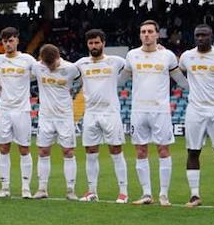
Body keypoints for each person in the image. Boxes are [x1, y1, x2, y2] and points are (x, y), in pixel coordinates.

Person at [179, 25, 214, 208]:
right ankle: (194, 195)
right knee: (193, 151)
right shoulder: (187, 57)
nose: (200, 38)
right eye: (197, 35)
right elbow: (179, 74)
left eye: (204, 35)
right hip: (195, 109)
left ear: (212, 36)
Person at [126, 20, 179, 206]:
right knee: (140, 150)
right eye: (143, 31)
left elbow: (180, 79)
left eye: (150, 31)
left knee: (163, 149)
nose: (146, 34)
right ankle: (147, 194)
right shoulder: (132, 55)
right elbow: (120, 78)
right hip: (138, 110)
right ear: (140, 35)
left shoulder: (168, 56)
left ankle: (164, 195)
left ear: (157, 34)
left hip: (160, 110)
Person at [74, 29, 130, 202]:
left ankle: (123, 192)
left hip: (110, 112)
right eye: (91, 43)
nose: (94, 46)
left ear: (103, 43)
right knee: (91, 151)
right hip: (90, 113)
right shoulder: (81, 64)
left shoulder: (116, 61)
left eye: (97, 42)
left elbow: (135, 63)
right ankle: (91, 191)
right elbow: (63, 70)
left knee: (115, 150)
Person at [0, 26, 38, 198]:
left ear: (17, 40)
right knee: (4, 148)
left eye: (11, 40)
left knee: (24, 148)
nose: (8, 44)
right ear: (2, 43)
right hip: (4, 111)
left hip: (22, 110)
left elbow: (42, 71)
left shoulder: (28, 59)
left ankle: (25, 188)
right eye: (5, 41)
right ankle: (5, 188)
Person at [31, 43, 82, 199]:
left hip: (65, 116)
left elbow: (82, 79)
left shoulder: (71, 68)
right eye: (47, 64)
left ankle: (70, 190)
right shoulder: (37, 67)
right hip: (46, 116)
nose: (50, 67)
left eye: (52, 64)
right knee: (43, 151)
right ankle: (42, 189)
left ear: (58, 57)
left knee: (68, 152)